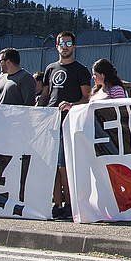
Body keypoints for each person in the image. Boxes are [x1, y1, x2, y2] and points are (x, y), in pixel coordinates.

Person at [45, 31, 92, 220]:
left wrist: (72, 106)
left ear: (74, 46)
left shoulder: (81, 70)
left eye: (68, 43)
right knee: (52, 167)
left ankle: (70, 204)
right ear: (56, 46)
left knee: (65, 165)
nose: (65, 46)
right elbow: (45, 96)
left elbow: (87, 98)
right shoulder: (50, 69)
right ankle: (56, 204)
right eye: (61, 43)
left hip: (70, 122)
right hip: (51, 121)